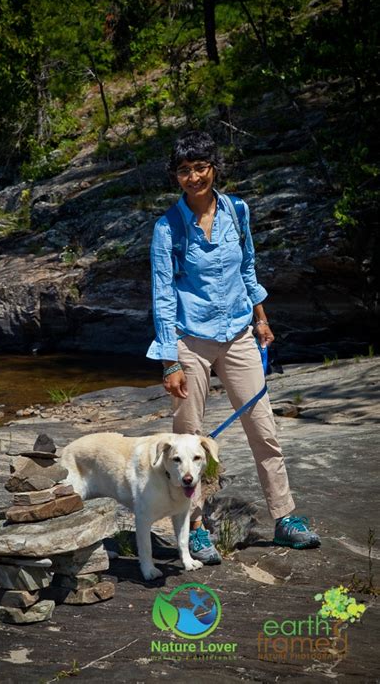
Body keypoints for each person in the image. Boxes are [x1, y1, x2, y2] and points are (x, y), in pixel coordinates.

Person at [146, 130, 320, 565]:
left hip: (240, 332)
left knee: (264, 429)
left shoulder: (238, 210)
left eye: (200, 167)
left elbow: (248, 268)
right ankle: (196, 528)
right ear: (176, 177)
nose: (193, 177)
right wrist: (170, 361)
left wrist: (262, 319)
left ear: (214, 168)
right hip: (190, 341)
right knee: (188, 442)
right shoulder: (167, 229)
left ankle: (285, 518)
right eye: (184, 171)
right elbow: (162, 295)